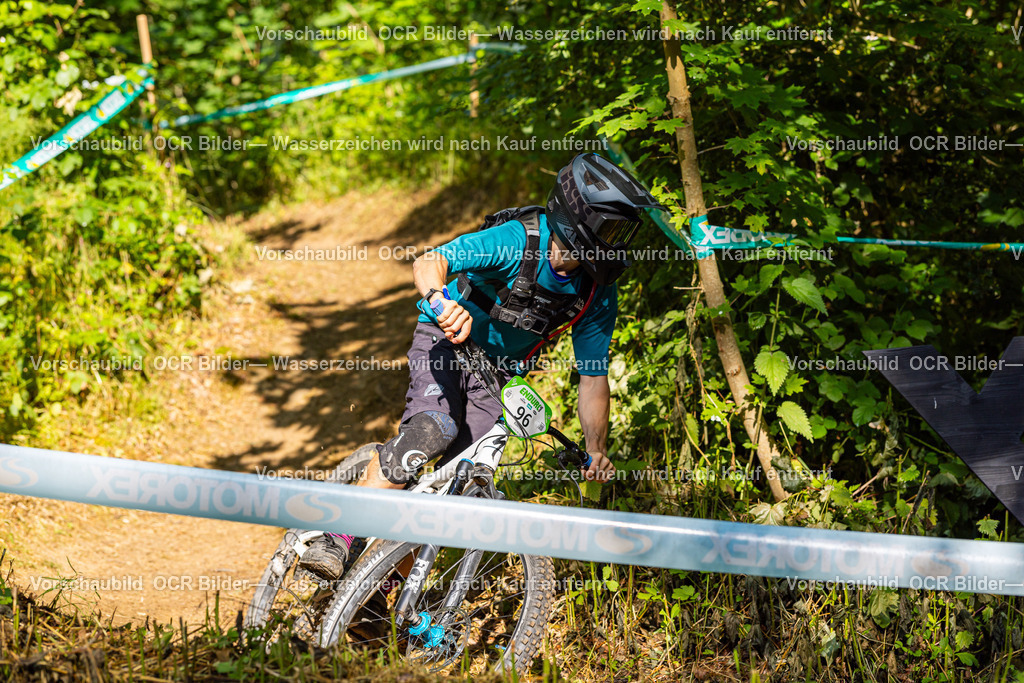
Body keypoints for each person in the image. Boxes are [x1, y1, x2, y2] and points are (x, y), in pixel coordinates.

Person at [298, 152, 664, 580]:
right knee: (433, 428)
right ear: (579, 216)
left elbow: (593, 377)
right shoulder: (516, 240)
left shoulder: (596, 293)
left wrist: (596, 450)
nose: (615, 241)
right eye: (611, 228)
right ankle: (337, 534)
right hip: (447, 340)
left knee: (462, 491)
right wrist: (441, 303)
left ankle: (378, 593)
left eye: (622, 231)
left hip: (499, 376)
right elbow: (429, 262)